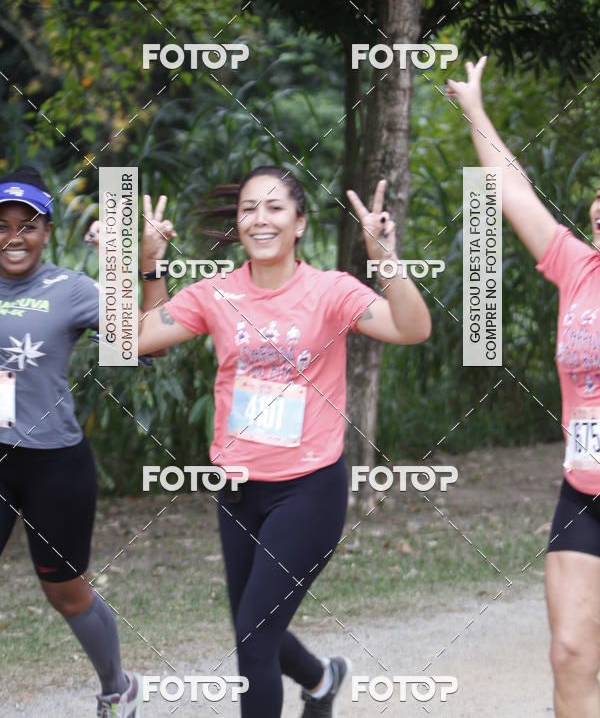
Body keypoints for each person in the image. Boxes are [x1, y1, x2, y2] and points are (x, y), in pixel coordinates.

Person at [137, 165, 431, 717]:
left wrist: (382, 256)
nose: (259, 218)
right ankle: (321, 681)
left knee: (254, 633)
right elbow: (139, 337)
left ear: (299, 223)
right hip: (237, 489)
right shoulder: (217, 293)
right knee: (255, 625)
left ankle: (315, 683)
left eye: (274, 207)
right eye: (249, 208)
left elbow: (412, 328)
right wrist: (149, 263)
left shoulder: (330, 291)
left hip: (308, 489)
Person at [447, 57, 600, 718]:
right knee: (568, 652)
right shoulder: (577, 268)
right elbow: (512, 194)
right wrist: (475, 110)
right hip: (584, 489)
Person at [0, 166, 173, 717]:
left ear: (47, 231)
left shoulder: (71, 289)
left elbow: (148, 342)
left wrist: (145, 265)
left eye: (26, 225)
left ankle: (117, 687)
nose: (13, 236)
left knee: (66, 593)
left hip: (54, 466)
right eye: (1, 225)